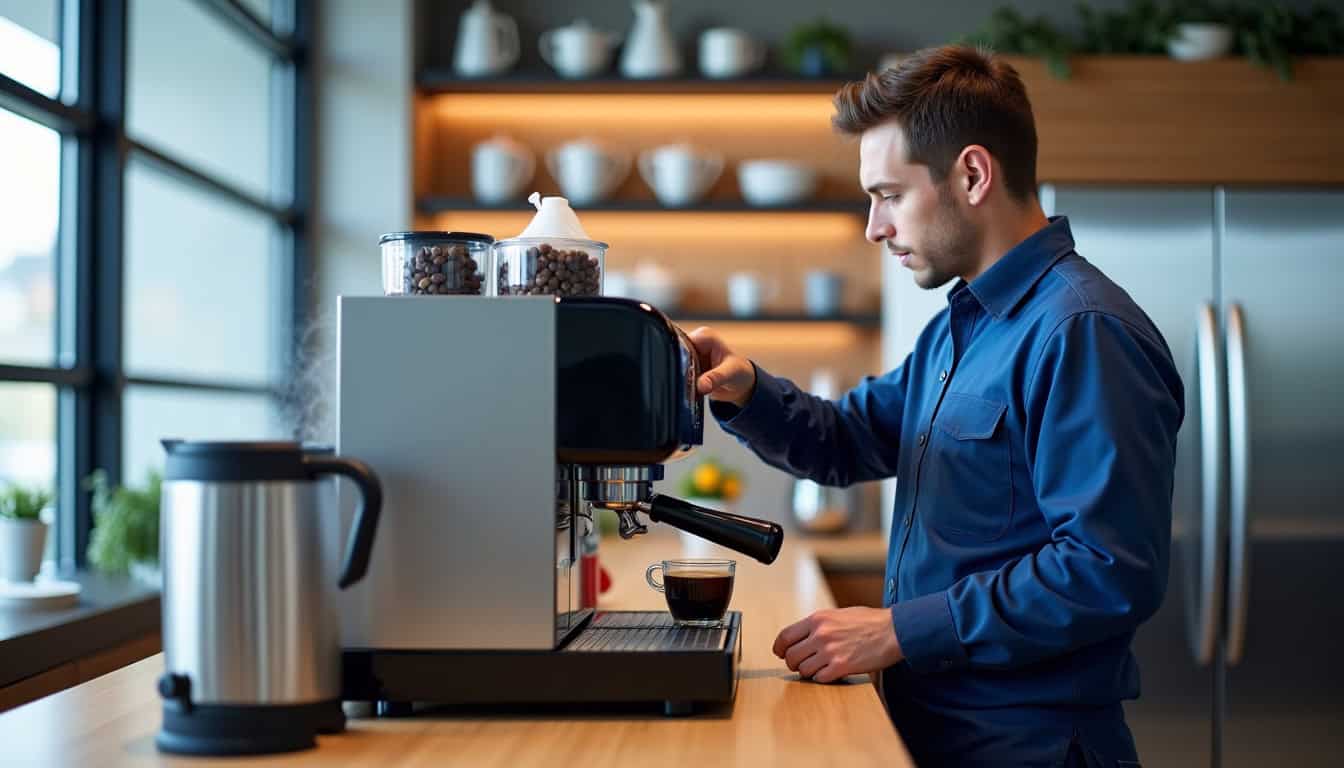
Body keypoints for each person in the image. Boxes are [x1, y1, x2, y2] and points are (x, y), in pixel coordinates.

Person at [688, 45, 1184, 767]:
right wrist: (747, 391)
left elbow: (1107, 569)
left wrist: (898, 630)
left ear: (973, 175)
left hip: (1032, 748)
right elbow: (848, 438)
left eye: (888, 194)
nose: (873, 226)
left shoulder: (1082, 330)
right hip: (940, 733)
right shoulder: (961, 325)